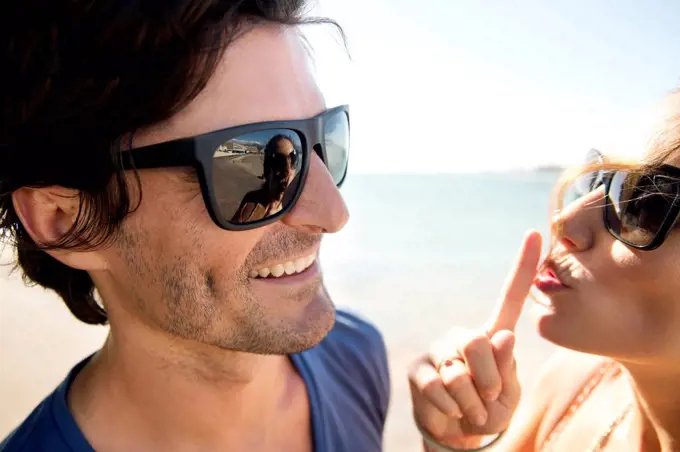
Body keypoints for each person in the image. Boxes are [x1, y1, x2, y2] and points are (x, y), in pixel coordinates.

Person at [0, 2, 389, 451]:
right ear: (67, 220)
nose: (334, 213)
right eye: (255, 162)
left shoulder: (357, 357)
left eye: (324, 140)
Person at [409, 91, 680, 451]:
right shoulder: (577, 384)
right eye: (595, 180)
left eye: (646, 203)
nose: (564, 221)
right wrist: (454, 441)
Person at [233, 134, 300, 223]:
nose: (287, 171)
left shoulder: (298, 210)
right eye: (279, 161)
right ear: (267, 169)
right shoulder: (250, 203)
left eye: (293, 159)